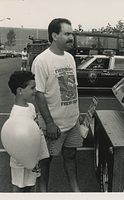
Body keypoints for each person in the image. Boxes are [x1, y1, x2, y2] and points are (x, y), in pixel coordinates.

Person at [31, 18, 83, 192]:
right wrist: (50, 123)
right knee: (45, 161)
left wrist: (78, 116)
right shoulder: (42, 61)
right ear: (54, 35)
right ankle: (43, 193)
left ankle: (75, 190)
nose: (72, 37)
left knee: (71, 155)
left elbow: (73, 89)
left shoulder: (70, 58)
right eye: (67, 33)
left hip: (72, 122)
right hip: (54, 125)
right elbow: (39, 94)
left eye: (72, 33)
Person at [7, 71, 49, 192]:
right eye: (32, 88)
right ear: (20, 91)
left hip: (33, 156)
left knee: (30, 184)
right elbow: (14, 140)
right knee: (20, 186)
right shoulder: (16, 114)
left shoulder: (31, 107)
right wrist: (22, 158)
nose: (35, 91)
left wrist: (40, 154)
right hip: (21, 160)